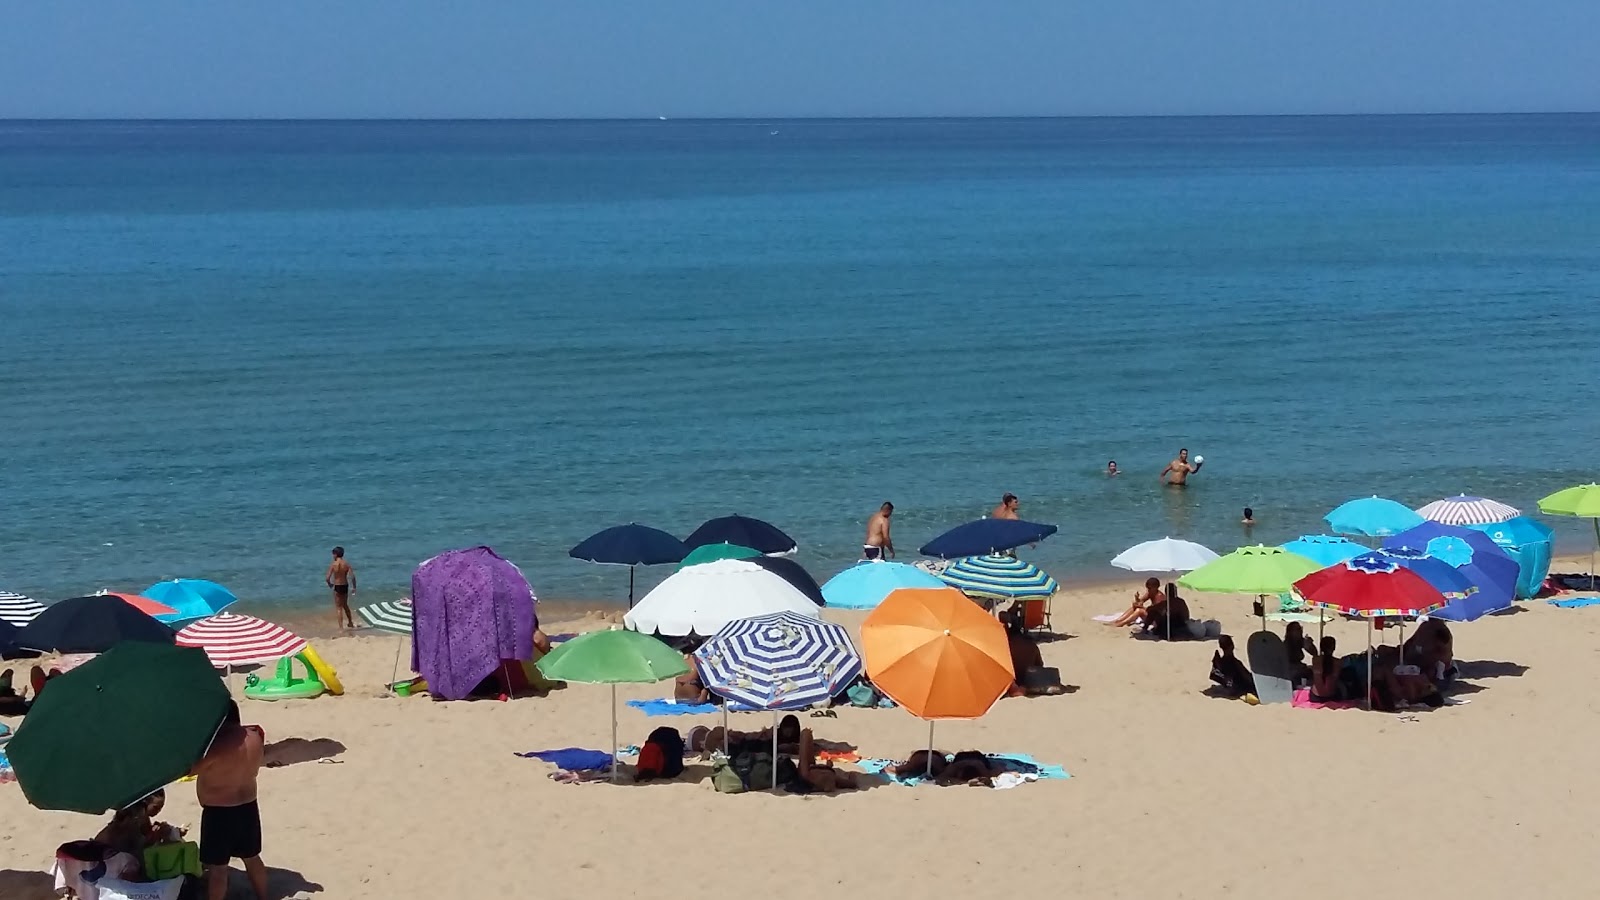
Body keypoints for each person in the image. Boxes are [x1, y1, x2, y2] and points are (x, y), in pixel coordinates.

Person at [193, 700, 267, 900]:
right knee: (252, 859)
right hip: (248, 806)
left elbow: (191, 769)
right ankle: (263, 896)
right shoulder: (255, 738)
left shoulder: (217, 748)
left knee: (218, 869)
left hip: (220, 812)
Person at [324, 546, 356, 630]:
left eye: (333, 554)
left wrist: (330, 584)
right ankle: (350, 622)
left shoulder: (333, 564)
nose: (332, 556)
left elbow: (327, 577)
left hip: (337, 586)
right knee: (345, 605)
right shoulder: (346, 564)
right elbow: (352, 576)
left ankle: (341, 628)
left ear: (335, 554)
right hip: (345, 585)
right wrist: (354, 587)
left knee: (338, 608)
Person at [1310, 636, 1344, 702]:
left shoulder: (1315, 660)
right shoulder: (1338, 662)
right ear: (1334, 648)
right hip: (1332, 696)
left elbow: (1313, 651)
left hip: (1315, 697)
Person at [1284, 622, 1315, 687]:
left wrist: (1310, 645)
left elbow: (1314, 653)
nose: (1300, 631)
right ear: (1290, 632)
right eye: (1298, 629)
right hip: (1289, 670)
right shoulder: (1286, 645)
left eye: (1300, 629)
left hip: (1298, 669)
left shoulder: (1299, 641)